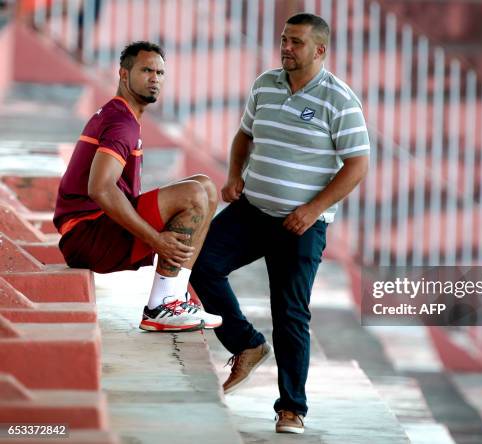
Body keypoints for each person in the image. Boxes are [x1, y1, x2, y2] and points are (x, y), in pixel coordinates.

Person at [190, 13, 369, 434]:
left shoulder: (339, 100)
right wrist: (235, 176)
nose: (286, 48)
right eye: (284, 40)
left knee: (289, 313)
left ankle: (292, 409)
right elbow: (244, 135)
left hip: (301, 225)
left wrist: (312, 209)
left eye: (297, 43)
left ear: (319, 50)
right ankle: (246, 343)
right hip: (252, 210)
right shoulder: (265, 85)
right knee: (199, 262)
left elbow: (358, 164)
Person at [53, 41, 222, 332]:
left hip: (94, 231)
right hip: (87, 235)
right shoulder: (121, 122)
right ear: (123, 74)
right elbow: (101, 189)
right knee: (194, 194)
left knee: (205, 186)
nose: (154, 78)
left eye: (159, 72)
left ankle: (174, 297)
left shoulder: (123, 116)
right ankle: (161, 306)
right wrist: (156, 239)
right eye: (146, 70)